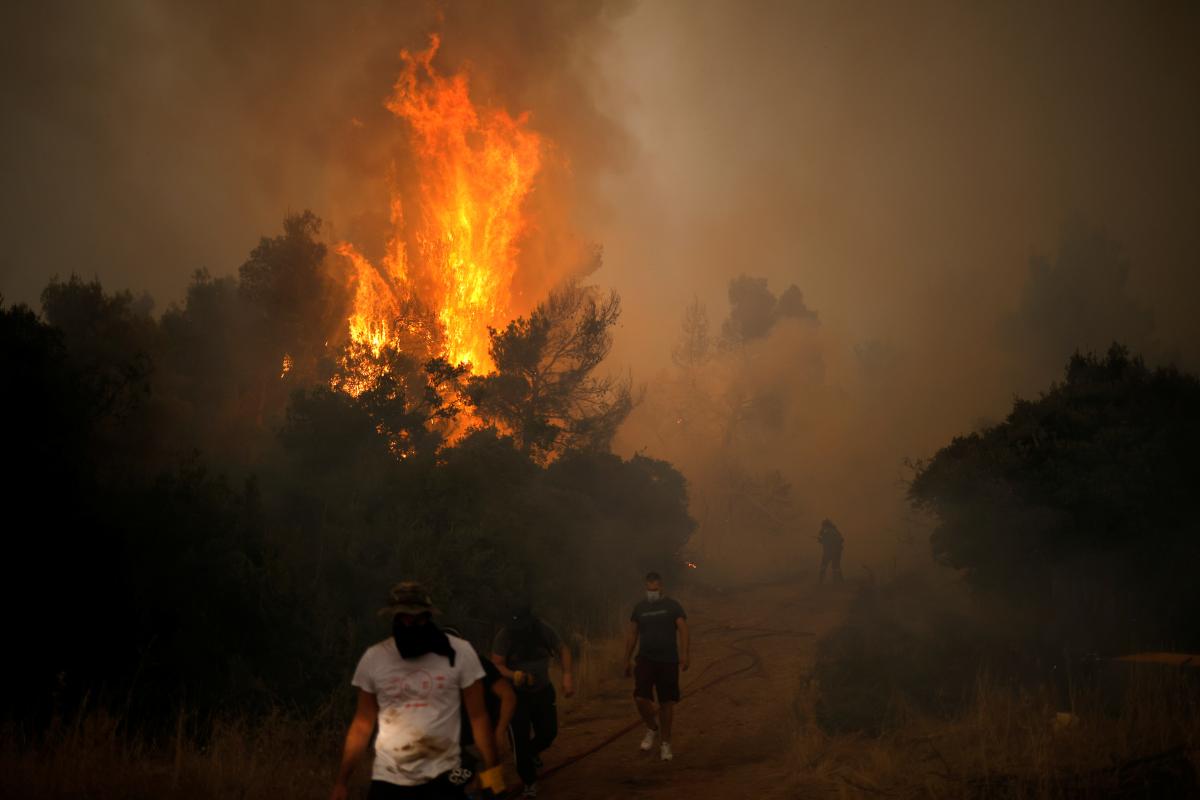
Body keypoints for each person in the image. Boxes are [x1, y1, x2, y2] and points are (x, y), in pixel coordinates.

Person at [330, 582, 505, 800]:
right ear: (394, 618)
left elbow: (479, 717)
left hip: (445, 773)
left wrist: (493, 769)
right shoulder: (375, 658)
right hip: (391, 777)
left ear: (427, 617)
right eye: (404, 617)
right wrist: (342, 782)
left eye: (418, 618)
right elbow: (362, 724)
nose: (411, 624)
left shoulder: (460, 653)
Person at [490, 606, 575, 798]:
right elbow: (496, 664)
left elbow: (562, 649)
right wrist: (515, 675)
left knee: (548, 733)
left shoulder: (543, 629)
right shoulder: (504, 635)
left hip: (543, 691)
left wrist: (567, 675)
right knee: (519, 743)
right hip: (515, 697)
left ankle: (530, 754)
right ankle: (529, 781)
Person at [441, 626, 517, 799]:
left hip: (482, 743)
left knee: (494, 789)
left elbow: (508, 696)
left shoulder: (479, 664)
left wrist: (499, 732)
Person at [624, 571, 689, 762]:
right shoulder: (640, 608)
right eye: (648, 587)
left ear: (661, 586)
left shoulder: (672, 606)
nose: (652, 590)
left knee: (667, 703)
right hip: (645, 659)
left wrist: (685, 654)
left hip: (668, 660)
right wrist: (626, 659)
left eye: (655, 586)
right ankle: (652, 727)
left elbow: (684, 630)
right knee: (640, 698)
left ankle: (665, 744)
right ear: (645, 587)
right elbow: (632, 634)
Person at [817, 518, 844, 584]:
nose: (822, 526)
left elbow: (825, 540)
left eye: (823, 525)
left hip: (828, 552)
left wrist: (820, 540)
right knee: (836, 567)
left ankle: (820, 581)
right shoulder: (835, 531)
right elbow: (841, 540)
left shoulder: (827, 531)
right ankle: (839, 581)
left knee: (823, 566)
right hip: (837, 552)